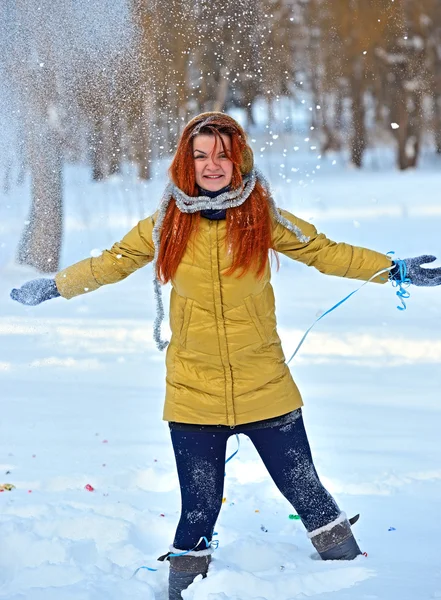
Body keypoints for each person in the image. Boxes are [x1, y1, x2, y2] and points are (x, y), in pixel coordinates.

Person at [10, 112, 441, 600]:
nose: (211, 165)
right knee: (197, 508)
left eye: (222, 154)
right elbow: (112, 261)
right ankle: (182, 593)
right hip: (193, 394)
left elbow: (326, 251)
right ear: (185, 162)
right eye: (201, 155)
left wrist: (394, 270)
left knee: (308, 494)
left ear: (238, 161)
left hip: (266, 387)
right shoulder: (165, 224)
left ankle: (359, 586)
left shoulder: (263, 217)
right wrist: (55, 286)